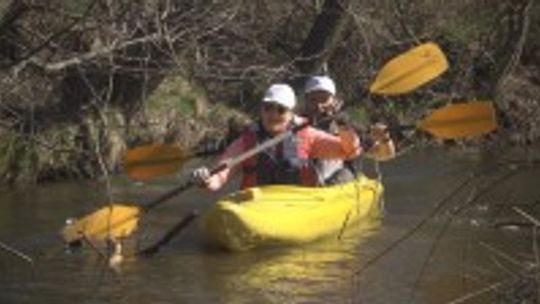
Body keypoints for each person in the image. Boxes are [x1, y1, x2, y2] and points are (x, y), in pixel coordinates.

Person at [191, 83, 362, 191]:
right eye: (268, 108)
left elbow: (349, 151)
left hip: (299, 204)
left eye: (280, 110)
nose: (273, 114)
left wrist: (343, 125)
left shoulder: (307, 134)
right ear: (261, 109)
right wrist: (205, 180)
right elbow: (220, 176)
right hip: (257, 204)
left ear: (291, 113)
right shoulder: (247, 141)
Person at [302, 75, 396, 185]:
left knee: (340, 176)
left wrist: (385, 139)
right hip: (307, 183)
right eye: (313, 100)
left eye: (324, 99)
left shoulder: (349, 127)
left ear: (334, 101)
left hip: (339, 182)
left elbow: (385, 155)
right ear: (306, 101)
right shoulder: (293, 125)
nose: (318, 105)